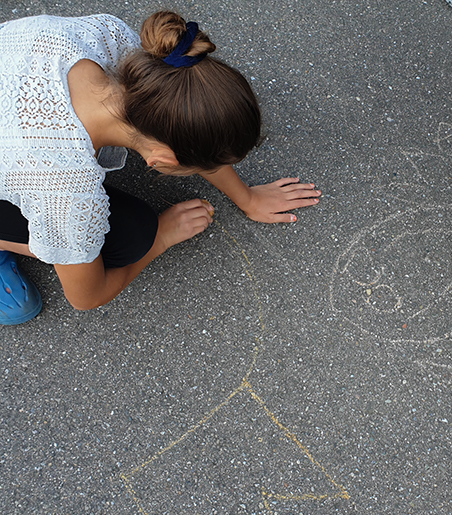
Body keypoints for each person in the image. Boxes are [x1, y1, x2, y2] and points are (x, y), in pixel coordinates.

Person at [0, 12, 320, 324]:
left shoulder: (109, 40)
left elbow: (187, 124)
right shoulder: (64, 188)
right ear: (162, 160)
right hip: (28, 159)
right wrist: (162, 239)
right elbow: (87, 297)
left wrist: (247, 198)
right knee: (134, 236)